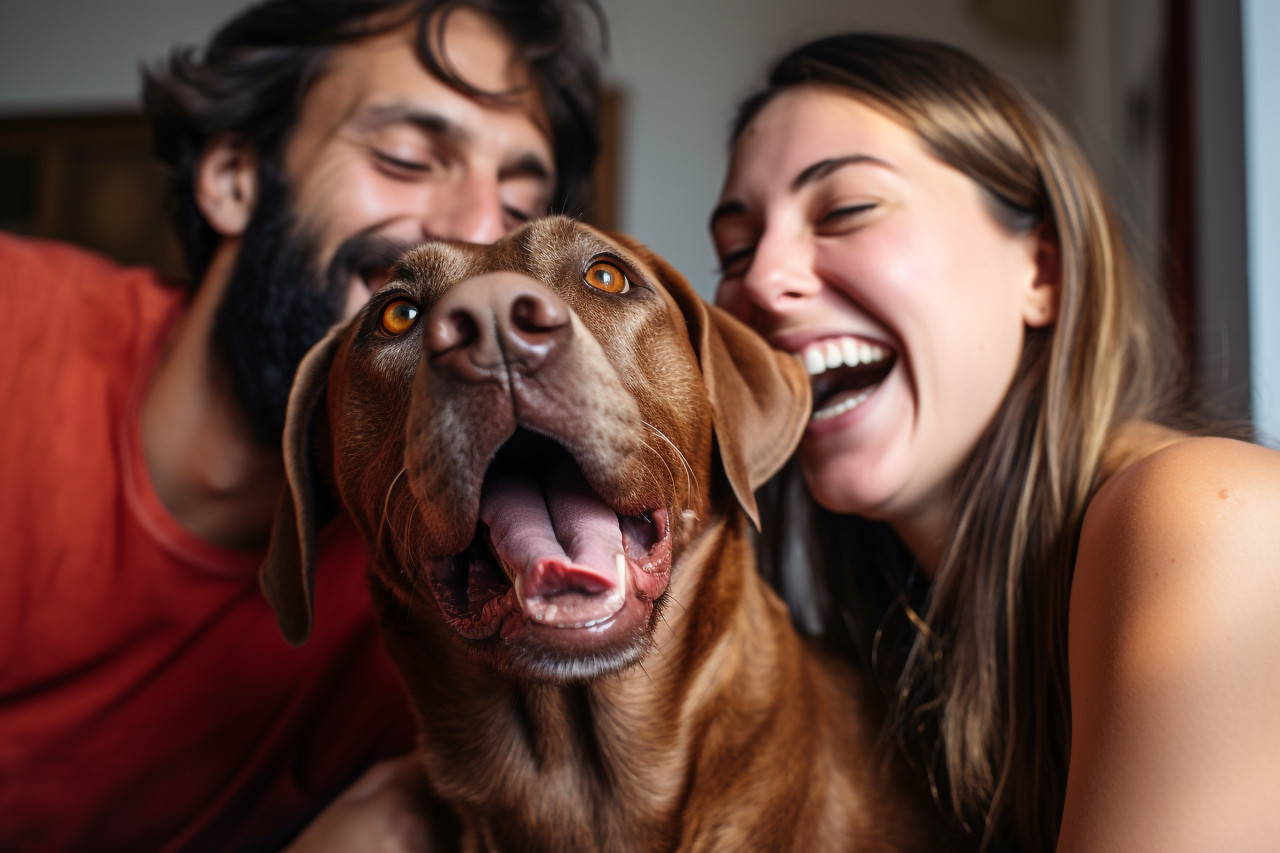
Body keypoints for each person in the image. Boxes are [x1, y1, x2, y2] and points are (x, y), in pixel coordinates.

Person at [0, 1, 602, 850]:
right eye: (407, 158)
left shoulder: (457, 590)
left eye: (517, 205)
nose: (477, 239)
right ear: (235, 178)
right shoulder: (15, 320)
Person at [710, 33, 1280, 853]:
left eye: (845, 210)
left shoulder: (1206, 518)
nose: (761, 281)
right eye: (735, 249)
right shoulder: (898, 665)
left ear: (1041, 268)